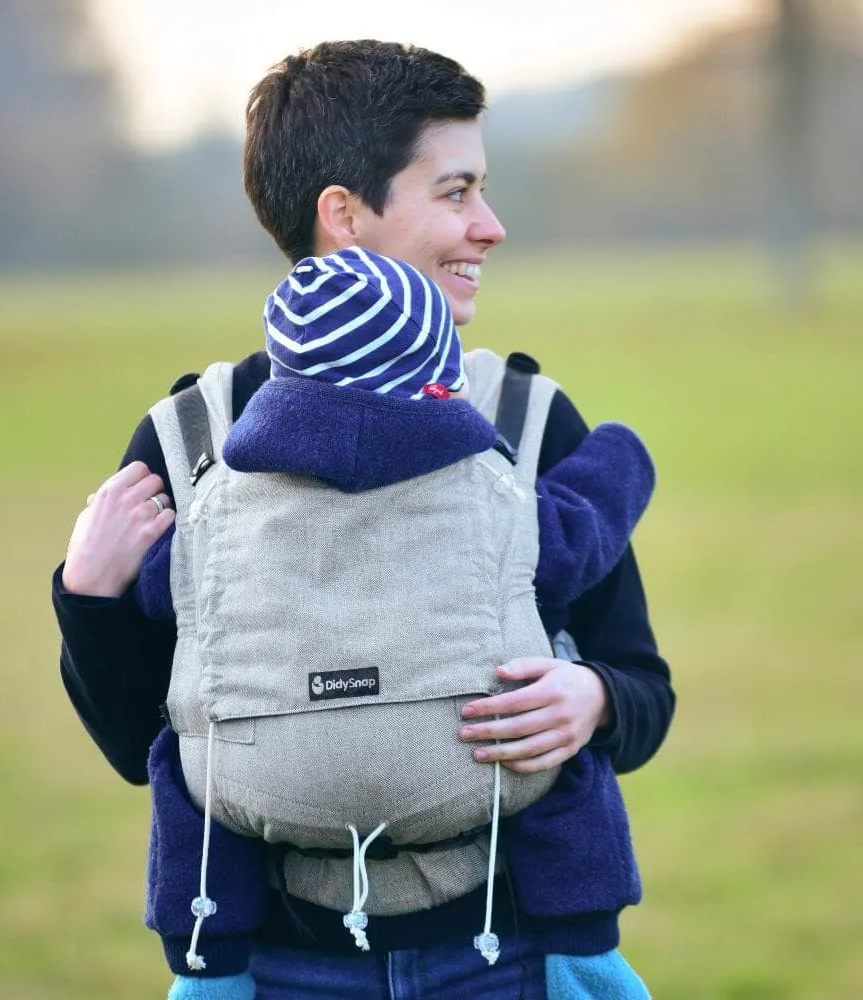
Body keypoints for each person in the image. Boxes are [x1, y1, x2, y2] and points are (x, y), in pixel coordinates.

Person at [53, 40, 675, 999]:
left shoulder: (529, 419)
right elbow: (147, 743)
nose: (492, 226)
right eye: (457, 192)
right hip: (277, 969)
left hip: (507, 961)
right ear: (342, 213)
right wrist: (89, 598)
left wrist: (593, 700)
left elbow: (642, 688)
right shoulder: (191, 442)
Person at [134, 244, 656, 999]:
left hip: (270, 822)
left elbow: (162, 594)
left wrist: (99, 577)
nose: (486, 225)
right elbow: (581, 528)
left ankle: (209, 966)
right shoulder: (493, 494)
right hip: (492, 878)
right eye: (456, 190)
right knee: (561, 769)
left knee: (190, 759)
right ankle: (584, 952)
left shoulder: (217, 505)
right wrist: (623, 456)